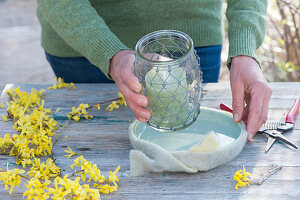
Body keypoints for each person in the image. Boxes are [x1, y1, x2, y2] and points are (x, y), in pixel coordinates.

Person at [36, 0, 272, 141]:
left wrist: (245, 50)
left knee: (187, 150)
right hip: (83, 43)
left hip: (192, 43)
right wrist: (108, 52)